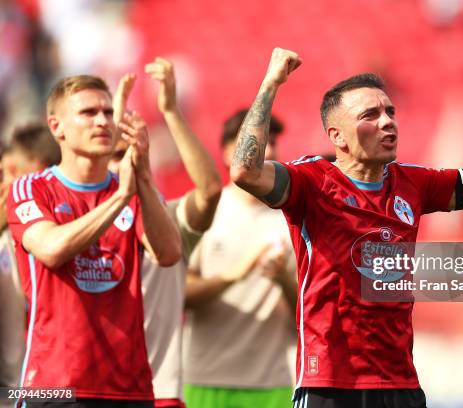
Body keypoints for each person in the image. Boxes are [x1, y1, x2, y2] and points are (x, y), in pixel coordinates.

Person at [230, 48, 463, 408]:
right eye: (371, 115)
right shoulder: (311, 182)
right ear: (337, 136)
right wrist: (271, 83)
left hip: (400, 384)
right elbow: (246, 172)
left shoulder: (415, 184)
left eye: (391, 112)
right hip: (330, 383)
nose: (388, 122)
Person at [7, 75, 182, 407]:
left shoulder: (134, 188)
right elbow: (51, 249)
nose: (102, 120)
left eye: (107, 111)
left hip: (130, 389)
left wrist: (143, 177)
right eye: (88, 113)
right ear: (57, 127)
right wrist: (119, 200)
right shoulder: (31, 189)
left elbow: (170, 253)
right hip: (54, 387)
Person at [110, 58, 222, 408]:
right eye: (114, 154)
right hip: (91, 390)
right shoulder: (71, 224)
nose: (123, 162)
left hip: (159, 392)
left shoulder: (170, 219)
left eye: (132, 152)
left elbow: (209, 191)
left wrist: (171, 112)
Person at [182, 109, 297, 408]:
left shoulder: (292, 218)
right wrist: (234, 276)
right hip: (206, 378)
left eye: (272, 141)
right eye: (257, 140)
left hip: (273, 382)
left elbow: (310, 311)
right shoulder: (203, 210)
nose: (267, 149)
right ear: (226, 152)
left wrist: (283, 278)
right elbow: (178, 294)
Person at [0, 123, 60, 403]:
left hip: (41, 387)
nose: (6, 184)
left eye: (10, 172)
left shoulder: (61, 233)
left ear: (38, 169)